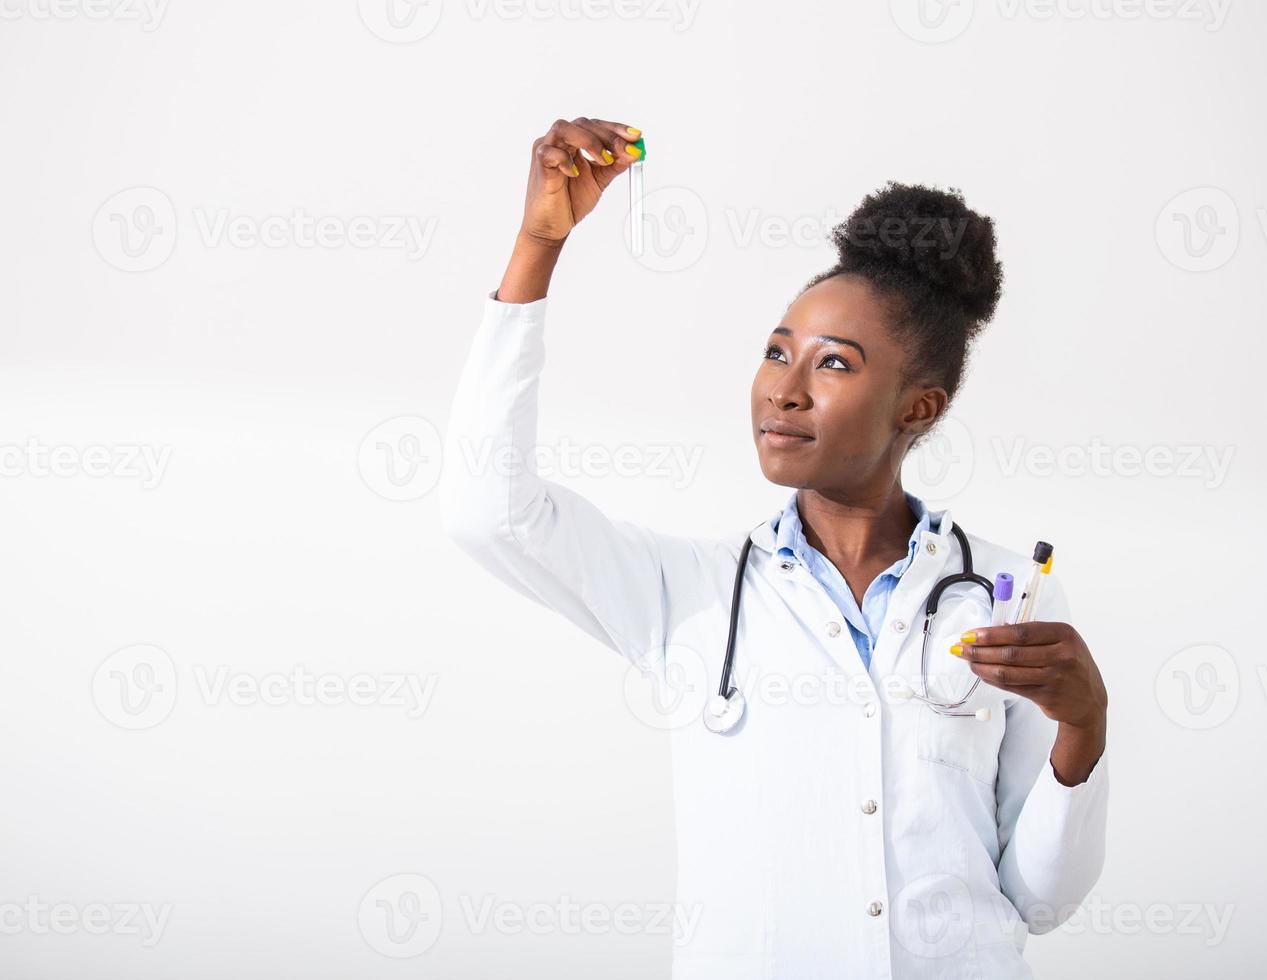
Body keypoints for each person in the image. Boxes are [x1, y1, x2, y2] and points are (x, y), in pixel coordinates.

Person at [440, 116, 1110, 979]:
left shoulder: (1011, 598)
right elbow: (485, 511)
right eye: (776, 353)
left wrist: (1084, 728)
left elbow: (1040, 901)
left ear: (919, 408)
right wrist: (538, 246)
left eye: (834, 365)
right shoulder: (687, 593)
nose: (783, 391)